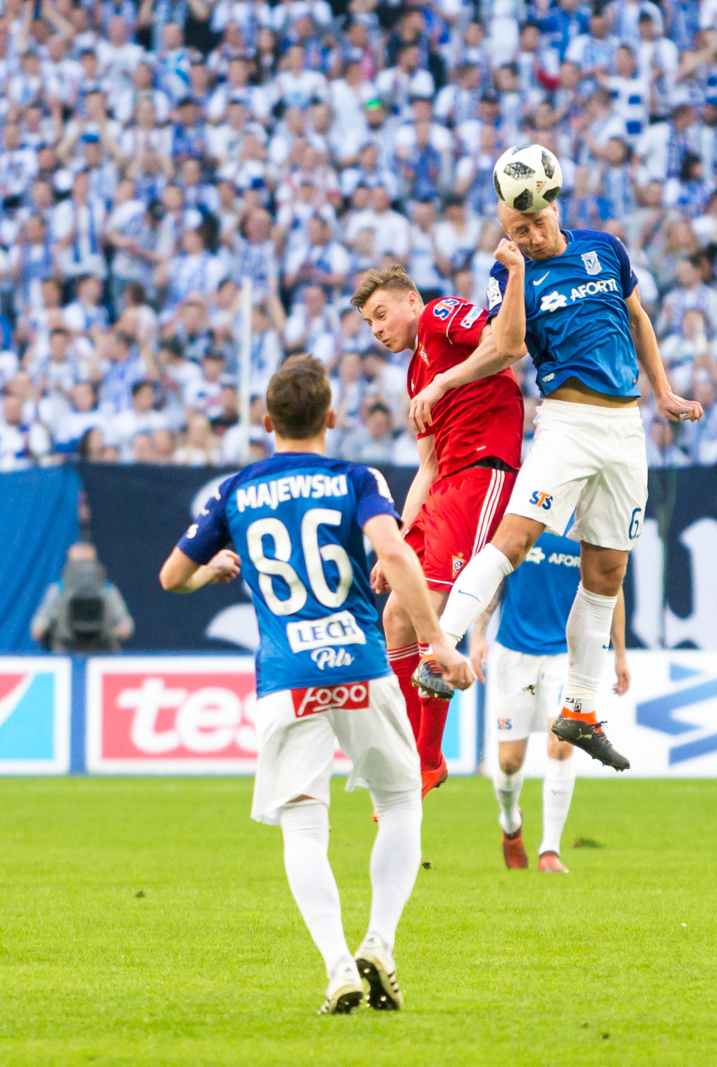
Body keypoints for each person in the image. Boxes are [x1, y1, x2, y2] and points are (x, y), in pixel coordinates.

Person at [157, 357, 474, 1015]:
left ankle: (338, 968)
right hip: (359, 661)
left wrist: (213, 566)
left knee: (303, 827)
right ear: (331, 417)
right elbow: (393, 551)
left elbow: (169, 577)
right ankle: (379, 943)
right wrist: (436, 640)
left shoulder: (236, 490)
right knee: (400, 798)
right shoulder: (355, 477)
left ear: (266, 421)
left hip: (287, 673)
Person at [408, 191, 702, 772]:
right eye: (517, 230)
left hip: (626, 425)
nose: (530, 236)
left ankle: (580, 710)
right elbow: (507, 347)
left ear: (556, 209)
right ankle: (440, 652)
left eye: (536, 223)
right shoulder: (509, 271)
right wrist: (444, 381)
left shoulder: (605, 249)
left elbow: (637, 318)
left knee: (609, 571)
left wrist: (663, 391)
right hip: (566, 423)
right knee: (514, 541)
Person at [351, 264, 522, 797]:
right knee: (397, 613)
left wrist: (447, 379)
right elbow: (426, 466)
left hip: (482, 470)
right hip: (446, 483)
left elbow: (504, 344)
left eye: (382, 313)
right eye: (368, 323)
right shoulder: (412, 376)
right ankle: (415, 755)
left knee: (438, 612)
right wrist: (395, 544)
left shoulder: (441, 316)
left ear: (410, 301)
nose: (377, 329)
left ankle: (423, 762)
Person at [469, 531, 630, 873]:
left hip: (566, 655)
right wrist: (479, 635)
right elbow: (495, 576)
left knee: (563, 744)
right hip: (513, 653)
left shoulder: (589, 521)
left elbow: (611, 588)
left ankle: (549, 851)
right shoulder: (527, 514)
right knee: (510, 762)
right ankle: (511, 824)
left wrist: (620, 654)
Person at [31, 542, 136, 652]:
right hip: (65, 651)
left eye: (86, 563)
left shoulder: (107, 590)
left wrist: (116, 632)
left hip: (102, 652)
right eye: (77, 563)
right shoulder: (58, 590)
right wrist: (41, 628)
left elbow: (126, 624)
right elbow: (39, 624)